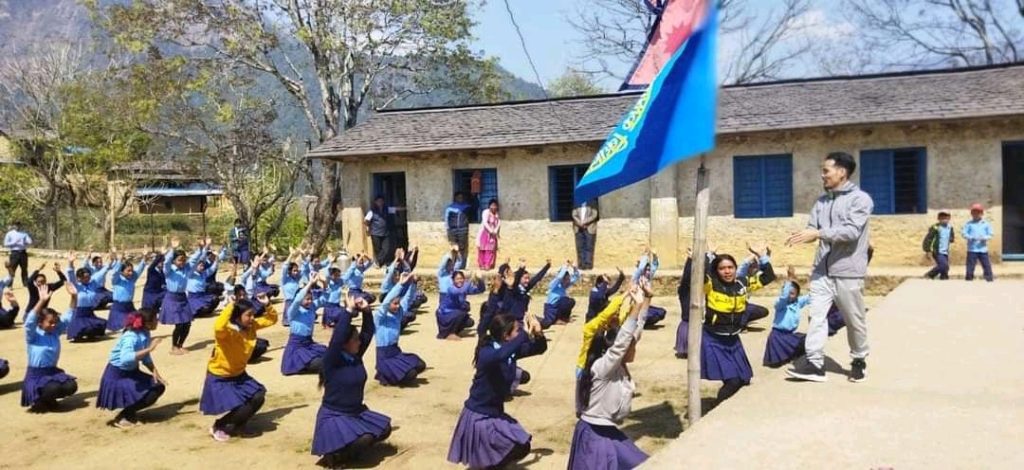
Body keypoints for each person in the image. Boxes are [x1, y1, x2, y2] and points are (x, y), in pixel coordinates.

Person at [785, 151, 873, 383]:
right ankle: (815, 363)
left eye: (826, 171)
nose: (822, 175)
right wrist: (803, 235)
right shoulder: (821, 202)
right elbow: (813, 228)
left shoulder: (860, 200)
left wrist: (818, 233)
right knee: (816, 317)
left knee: (853, 320)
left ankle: (859, 359)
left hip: (848, 271)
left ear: (842, 172)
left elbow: (851, 232)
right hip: (821, 271)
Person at [447, 313, 542, 468]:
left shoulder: (509, 350)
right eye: (517, 330)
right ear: (505, 335)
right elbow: (500, 355)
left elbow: (539, 348)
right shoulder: (487, 352)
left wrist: (538, 333)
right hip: (480, 415)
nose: (519, 332)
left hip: (494, 412)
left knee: (522, 446)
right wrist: (524, 334)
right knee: (511, 449)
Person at [569, 287, 650, 470]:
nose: (634, 350)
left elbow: (636, 330)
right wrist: (636, 305)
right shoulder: (602, 368)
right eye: (632, 347)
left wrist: (647, 298)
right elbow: (622, 343)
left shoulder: (618, 367)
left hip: (608, 431)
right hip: (594, 434)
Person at [311, 293, 391, 467]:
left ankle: (349, 446)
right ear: (345, 343)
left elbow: (367, 332)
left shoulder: (354, 355)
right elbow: (337, 337)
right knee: (365, 438)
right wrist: (348, 311)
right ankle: (335, 456)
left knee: (385, 429)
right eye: (355, 340)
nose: (359, 342)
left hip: (356, 411)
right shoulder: (332, 360)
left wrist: (367, 311)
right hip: (335, 416)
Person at [695, 246, 775, 403]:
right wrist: (706, 256)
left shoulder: (743, 284)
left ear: (736, 268)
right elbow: (698, 275)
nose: (727, 271)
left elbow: (768, 277)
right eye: (722, 268)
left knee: (744, 378)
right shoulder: (710, 285)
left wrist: (762, 256)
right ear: (716, 270)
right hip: (714, 339)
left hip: (733, 340)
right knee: (733, 381)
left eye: (730, 267)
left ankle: (729, 405)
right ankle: (717, 409)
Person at [200, 293, 277, 442]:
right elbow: (218, 326)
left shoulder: (251, 327)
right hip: (220, 376)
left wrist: (267, 305)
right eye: (248, 315)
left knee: (258, 396)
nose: (252, 318)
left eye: (253, 314)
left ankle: (239, 426)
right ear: (237, 317)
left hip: (239, 374)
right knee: (239, 404)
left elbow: (271, 319)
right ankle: (219, 425)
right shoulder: (227, 332)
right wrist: (231, 306)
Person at [97, 308, 167, 428]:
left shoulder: (145, 333)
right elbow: (126, 358)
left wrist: (155, 371)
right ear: (147, 323)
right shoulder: (131, 337)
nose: (158, 321)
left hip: (132, 372)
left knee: (158, 387)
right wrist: (150, 348)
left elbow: (145, 357)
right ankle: (123, 416)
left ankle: (129, 412)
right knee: (148, 392)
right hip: (118, 375)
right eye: (155, 319)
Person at [22, 284, 78, 412]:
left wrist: (74, 297)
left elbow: (68, 316)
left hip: (52, 372)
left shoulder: (55, 332)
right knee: (53, 388)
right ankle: (40, 401)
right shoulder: (33, 335)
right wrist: (41, 301)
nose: (53, 325)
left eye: (55, 322)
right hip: (36, 375)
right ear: (40, 322)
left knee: (71, 385)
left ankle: (49, 400)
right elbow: (29, 321)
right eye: (50, 322)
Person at [375, 274, 427, 385]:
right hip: (385, 356)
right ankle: (384, 375)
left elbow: (408, 299)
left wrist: (413, 284)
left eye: (398, 303)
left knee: (420, 365)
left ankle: (392, 374)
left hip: (396, 352)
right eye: (394, 304)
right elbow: (385, 303)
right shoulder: (379, 317)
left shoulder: (398, 314)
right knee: (411, 374)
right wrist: (400, 284)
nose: (397, 306)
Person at [161, 238, 207, 354]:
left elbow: (194, 259)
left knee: (187, 323)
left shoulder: (187, 269)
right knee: (179, 324)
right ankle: (174, 347)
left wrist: (200, 248)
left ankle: (180, 345)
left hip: (182, 298)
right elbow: (166, 262)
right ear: (174, 261)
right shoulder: (169, 270)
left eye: (183, 260)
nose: (182, 262)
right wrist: (173, 249)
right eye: (179, 260)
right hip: (172, 298)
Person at [281, 277, 327, 376]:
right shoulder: (293, 311)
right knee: (321, 363)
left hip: (309, 343)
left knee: (329, 354)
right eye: (307, 299)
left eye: (311, 299)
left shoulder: (312, 307)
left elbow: (324, 299)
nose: (310, 301)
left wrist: (324, 283)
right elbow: (297, 300)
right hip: (296, 346)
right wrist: (310, 283)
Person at [764, 266, 808, 368]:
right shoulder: (780, 304)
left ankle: (791, 355)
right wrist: (789, 279)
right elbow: (784, 297)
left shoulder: (797, 303)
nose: (789, 295)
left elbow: (810, 297)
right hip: (777, 336)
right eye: (787, 292)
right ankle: (786, 356)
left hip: (790, 335)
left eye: (792, 293)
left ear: (797, 295)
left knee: (809, 339)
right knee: (775, 364)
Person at [64, 252, 109, 341]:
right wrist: (70, 263)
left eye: (88, 277)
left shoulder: (92, 284)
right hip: (79, 313)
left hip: (89, 312)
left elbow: (102, 272)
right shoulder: (76, 286)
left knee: (99, 324)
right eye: (85, 277)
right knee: (80, 327)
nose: (87, 279)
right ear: (79, 278)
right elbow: (71, 274)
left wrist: (110, 263)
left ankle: (90, 335)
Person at [436, 269, 485, 340]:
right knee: (462, 312)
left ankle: (455, 332)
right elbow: (457, 292)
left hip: (454, 314)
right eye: (457, 279)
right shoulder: (451, 288)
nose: (460, 281)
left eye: (461, 278)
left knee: (470, 322)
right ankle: (450, 333)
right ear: (453, 280)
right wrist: (469, 282)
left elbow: (480, 290)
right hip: (444, 315)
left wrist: (480, 280)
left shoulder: (464, 287)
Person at [108, 254, 147, 332]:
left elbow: (140, 269)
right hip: (119, 308)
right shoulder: (117, 280)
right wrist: (119, 261)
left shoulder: (132, 279)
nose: (131, 273)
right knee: (125, 324)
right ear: (122, 271)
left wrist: (144, 258)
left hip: (129, 306)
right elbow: (115, 272)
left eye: (131, 271)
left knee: (139, 321)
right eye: (128, 271)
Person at [632, 250, 667, 329]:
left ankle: (643, 322)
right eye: (646, 269)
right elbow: (640, 269)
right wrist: (645, 256)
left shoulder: (648, 278)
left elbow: (655, 266)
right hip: (637, 306)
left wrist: (654, 255)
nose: (648, 271)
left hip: (645, 305)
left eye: (648, 269)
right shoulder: (636, 278)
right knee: (646, 315)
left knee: (661, 312)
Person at [542, 261, 581, 328]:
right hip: (551, 308)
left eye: (568, 279)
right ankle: (557, 319)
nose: (568, 281)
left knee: (571, 301)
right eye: (566, 279)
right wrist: (565, 267)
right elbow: (559, 277)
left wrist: (574, 268)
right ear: (562, 279)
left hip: (558, 306)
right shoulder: (554, 284)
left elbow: (576, 277)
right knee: (564, 301)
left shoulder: (565, 285)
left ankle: (564, 318)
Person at [963, 203, 995, 282]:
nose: (976, 214)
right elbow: (964, 233)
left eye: (978, 212)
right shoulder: (969, 224)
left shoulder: (986, 224)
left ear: (982, 213)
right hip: (972, 249)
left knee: (986, 264)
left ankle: (989, 278)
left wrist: (984, 238)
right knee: (970, 265)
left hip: (983, 249)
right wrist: (970, 237)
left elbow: (990, 234)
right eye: (974, 212)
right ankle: (969, 278)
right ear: (971, 214)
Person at [922, 211, 955, 280]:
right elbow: (928, 239)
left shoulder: (950, 228)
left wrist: (951, 238)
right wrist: (927, 250)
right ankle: (930, 275)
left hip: (945, 251)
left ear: (949, 218)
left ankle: (944, 278)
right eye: (942, 218)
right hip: (937, 251)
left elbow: (951, 236)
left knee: (945, 268)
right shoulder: (935, 228)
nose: (944, 220)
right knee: (944, 265)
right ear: (938, 219)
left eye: (946, 218)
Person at [365, 196, 392, 268]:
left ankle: (377, 262)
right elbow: (366, 220)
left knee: (386, 249)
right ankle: (380, 263)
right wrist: (368, 228)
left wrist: (406, 208)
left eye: (381, 201)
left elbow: (395, 209)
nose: (380, 203)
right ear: (375, 202)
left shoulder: (386, 209)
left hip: (385, 232)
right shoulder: (372, 211)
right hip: (375, 233)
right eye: (378, 201)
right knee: (377, 249)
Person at [572, 200, 599, 270]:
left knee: (589, 247)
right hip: (578, 227)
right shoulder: (577, 202)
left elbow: (594, 214)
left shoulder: (592, 202)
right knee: (580, 247)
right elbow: (574, 214)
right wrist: (580, 223)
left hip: (589, 228)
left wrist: (585, 222)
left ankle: (588, 265)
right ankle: (581, 265)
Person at [4, 221, 32, 287]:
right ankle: (9, 284)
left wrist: (26, 241)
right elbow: (5, 244)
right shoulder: (9, 234)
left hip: (23, 253)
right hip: (14, 253)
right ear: (13, 226)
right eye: (16, 225)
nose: (17, 226)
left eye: (18, 225)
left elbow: (30, 241)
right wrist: (14, 242)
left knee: (24, 269)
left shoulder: (24, 234)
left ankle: (25, 284)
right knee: (12, 269)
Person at [445, 192, 472, 257]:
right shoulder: (450, 208)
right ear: (455, 198)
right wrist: (448, 229)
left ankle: (461, 261)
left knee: (462, 247)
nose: (460, 199)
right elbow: (446, 219)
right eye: (458, 197)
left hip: (462, 230)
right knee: (453, 247)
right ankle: (453, 260)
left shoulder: (466, 207)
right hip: (452, 230)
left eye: (461, 197)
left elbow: (475, 208)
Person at [477, 199, 501, 270]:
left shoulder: (496, 215)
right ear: (489, 206)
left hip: (492, 235)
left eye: (495, 206)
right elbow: (485, 222)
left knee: (490, 250)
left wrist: (495, 232)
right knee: (482, 249)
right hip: (485, 233)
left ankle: (488, 264)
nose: (493, 207)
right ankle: (482, 264)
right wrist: (491, 231)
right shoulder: (486, 212)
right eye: (492, 205)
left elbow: (498, 224)